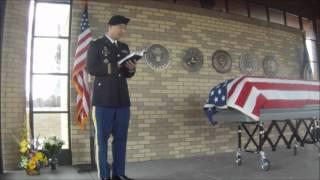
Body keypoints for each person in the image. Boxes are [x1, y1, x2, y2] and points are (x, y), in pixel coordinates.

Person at [86, 15, 137, 180]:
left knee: (121, 140)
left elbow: (128, 74)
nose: (123, 31)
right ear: (110, 26)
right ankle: (104, 177)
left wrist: (130, 68)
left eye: (125, 28)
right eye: (121, 27)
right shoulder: (96, 45)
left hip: (122, 101)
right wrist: (116, 66)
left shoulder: (124, 47)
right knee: (102, 142)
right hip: (103, 101)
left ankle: (119, 174)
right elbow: (92, 68)